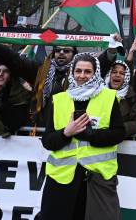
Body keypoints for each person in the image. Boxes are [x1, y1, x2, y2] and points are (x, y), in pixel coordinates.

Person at [41, 53, 124, 220]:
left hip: (97, 179)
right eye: (78, 70)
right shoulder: (58, 99)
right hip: (61, 178)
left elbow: (118, 133)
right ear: (72, 72)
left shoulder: (108, 97)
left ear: (95, 74)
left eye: (87, 71)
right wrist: (66, 133)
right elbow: (48, 141)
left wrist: (90, 135)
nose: (82, 76)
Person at [0, 33, 77, 123]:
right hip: (41, 125)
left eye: (66, 51)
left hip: (69, 125)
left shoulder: (80, 74)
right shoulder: (41, 71)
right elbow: (16, 61)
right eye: (57, 50)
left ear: (74, 54)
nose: (61, 53)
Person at [106, 60, 136, 138]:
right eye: (114, 72)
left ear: (126, 77)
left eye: (122, 73)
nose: (117, 75)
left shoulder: (132, 96)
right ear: (109, 75)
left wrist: (118, 129)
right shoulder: (99, 92)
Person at [0, 64, 31, 136]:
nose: (1, 74)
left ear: (11, 76)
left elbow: (18, 120)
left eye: (5, 71)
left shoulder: (21, 94)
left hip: (15, 140)